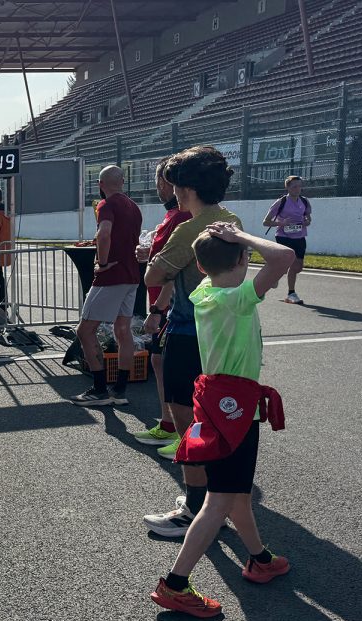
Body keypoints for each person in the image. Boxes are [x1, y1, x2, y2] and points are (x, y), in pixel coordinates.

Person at [149, 221, 293, 617]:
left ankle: (260, 558)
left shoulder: (204, 291)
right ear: (244, 258)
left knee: (237, 493)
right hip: (234, 407)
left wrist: (231, 246)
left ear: (199, 264)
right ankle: (174, 584)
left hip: (218, 399)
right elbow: (285, 257)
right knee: (218, 501)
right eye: (246, 254)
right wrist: (242, 236)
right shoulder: (236, 298)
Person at [144, 146, 240, 536]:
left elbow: (153, 276)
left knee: (190, 421)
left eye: (177, 183)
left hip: (189, 331)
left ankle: (196, 508)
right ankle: (218, 500)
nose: (173, 190)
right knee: (218, 418)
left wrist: (150, 260)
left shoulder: (189, 228)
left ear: (187, 188)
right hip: (226, 333)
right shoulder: (231, 219)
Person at [69, 165, 143, 407]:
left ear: (100, 185)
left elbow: (105, 234)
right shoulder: (133, 206)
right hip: (132, 275)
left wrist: (102, 262)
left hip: (112, 276)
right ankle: (119, 389)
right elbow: (125, 236)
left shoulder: (106, 205)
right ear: (122, 182)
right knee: (123, 330)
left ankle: (99, 388)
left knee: (85, 330)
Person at [134, 158, 192, 447]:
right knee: (159, 362)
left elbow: (176, 267)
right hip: (162, 301)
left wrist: (158, 310)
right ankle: (169, 424)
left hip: (171, 304)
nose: (158, 187)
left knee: (173, 367)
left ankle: (185, 437)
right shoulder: (172, 217)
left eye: (161, 182)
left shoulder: (182, 217)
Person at [262, 175, 312, 305]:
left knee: (298, 267)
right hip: (284, 237)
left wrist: (307, 222)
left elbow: (308, 218)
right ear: (288, 187)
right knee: (286, 264)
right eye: (294, 186)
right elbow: (265, 222)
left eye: (300, 186)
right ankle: (291, 293)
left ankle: (277, 274)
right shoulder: (281, 202)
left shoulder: (304, 201)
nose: (298, 189)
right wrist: (282, 223)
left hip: (300, 237)